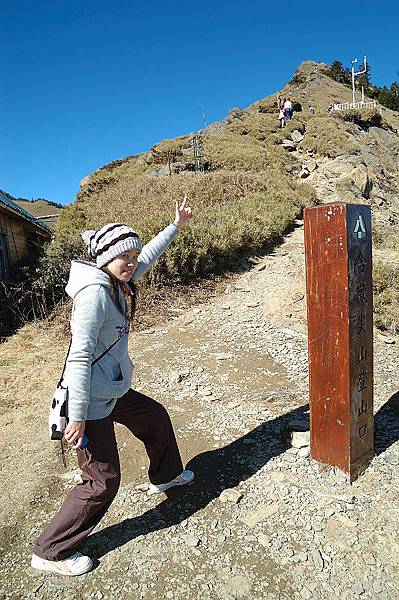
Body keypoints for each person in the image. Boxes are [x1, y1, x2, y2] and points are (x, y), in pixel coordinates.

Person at [31, 198, 194, 576]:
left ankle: (166, 474)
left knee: (154, 417)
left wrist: (175, 226)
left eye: (133, 254)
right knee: (102, 480)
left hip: (113, 389)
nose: (133, 261)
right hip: (90, 400)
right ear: (105, 258)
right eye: (126, 256)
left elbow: (148, 256)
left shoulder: (119, 281)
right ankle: (50, 551)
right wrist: (78, 417)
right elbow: (79, 357)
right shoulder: (94, 295)